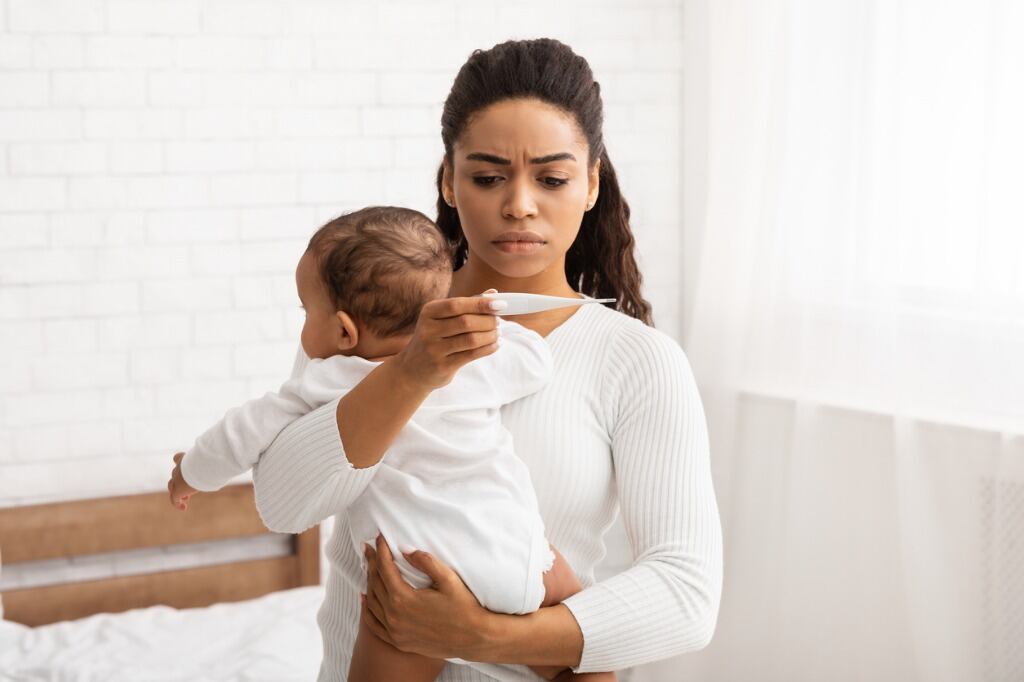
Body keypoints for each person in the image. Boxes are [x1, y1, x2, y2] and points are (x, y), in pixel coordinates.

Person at [250, 38, 723, 682]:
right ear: (449, 180)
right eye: (488, 176)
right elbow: (282, 506)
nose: (519, 204)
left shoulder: (637, 360)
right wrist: (411, 372)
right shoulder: (363, 322)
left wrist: (485, 636)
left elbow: (685, 595)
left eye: (551, 179)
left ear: (590, 184)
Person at [165, 205, 616, 681]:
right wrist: (490, 321)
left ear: (344, 331)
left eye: (305, 310)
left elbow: (242, 432)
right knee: (584, 658)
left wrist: (190, 473)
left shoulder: (328, 380)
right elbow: (536, 362)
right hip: (513, 555)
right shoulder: (474, 359)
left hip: (412, 579)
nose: (303, 324)